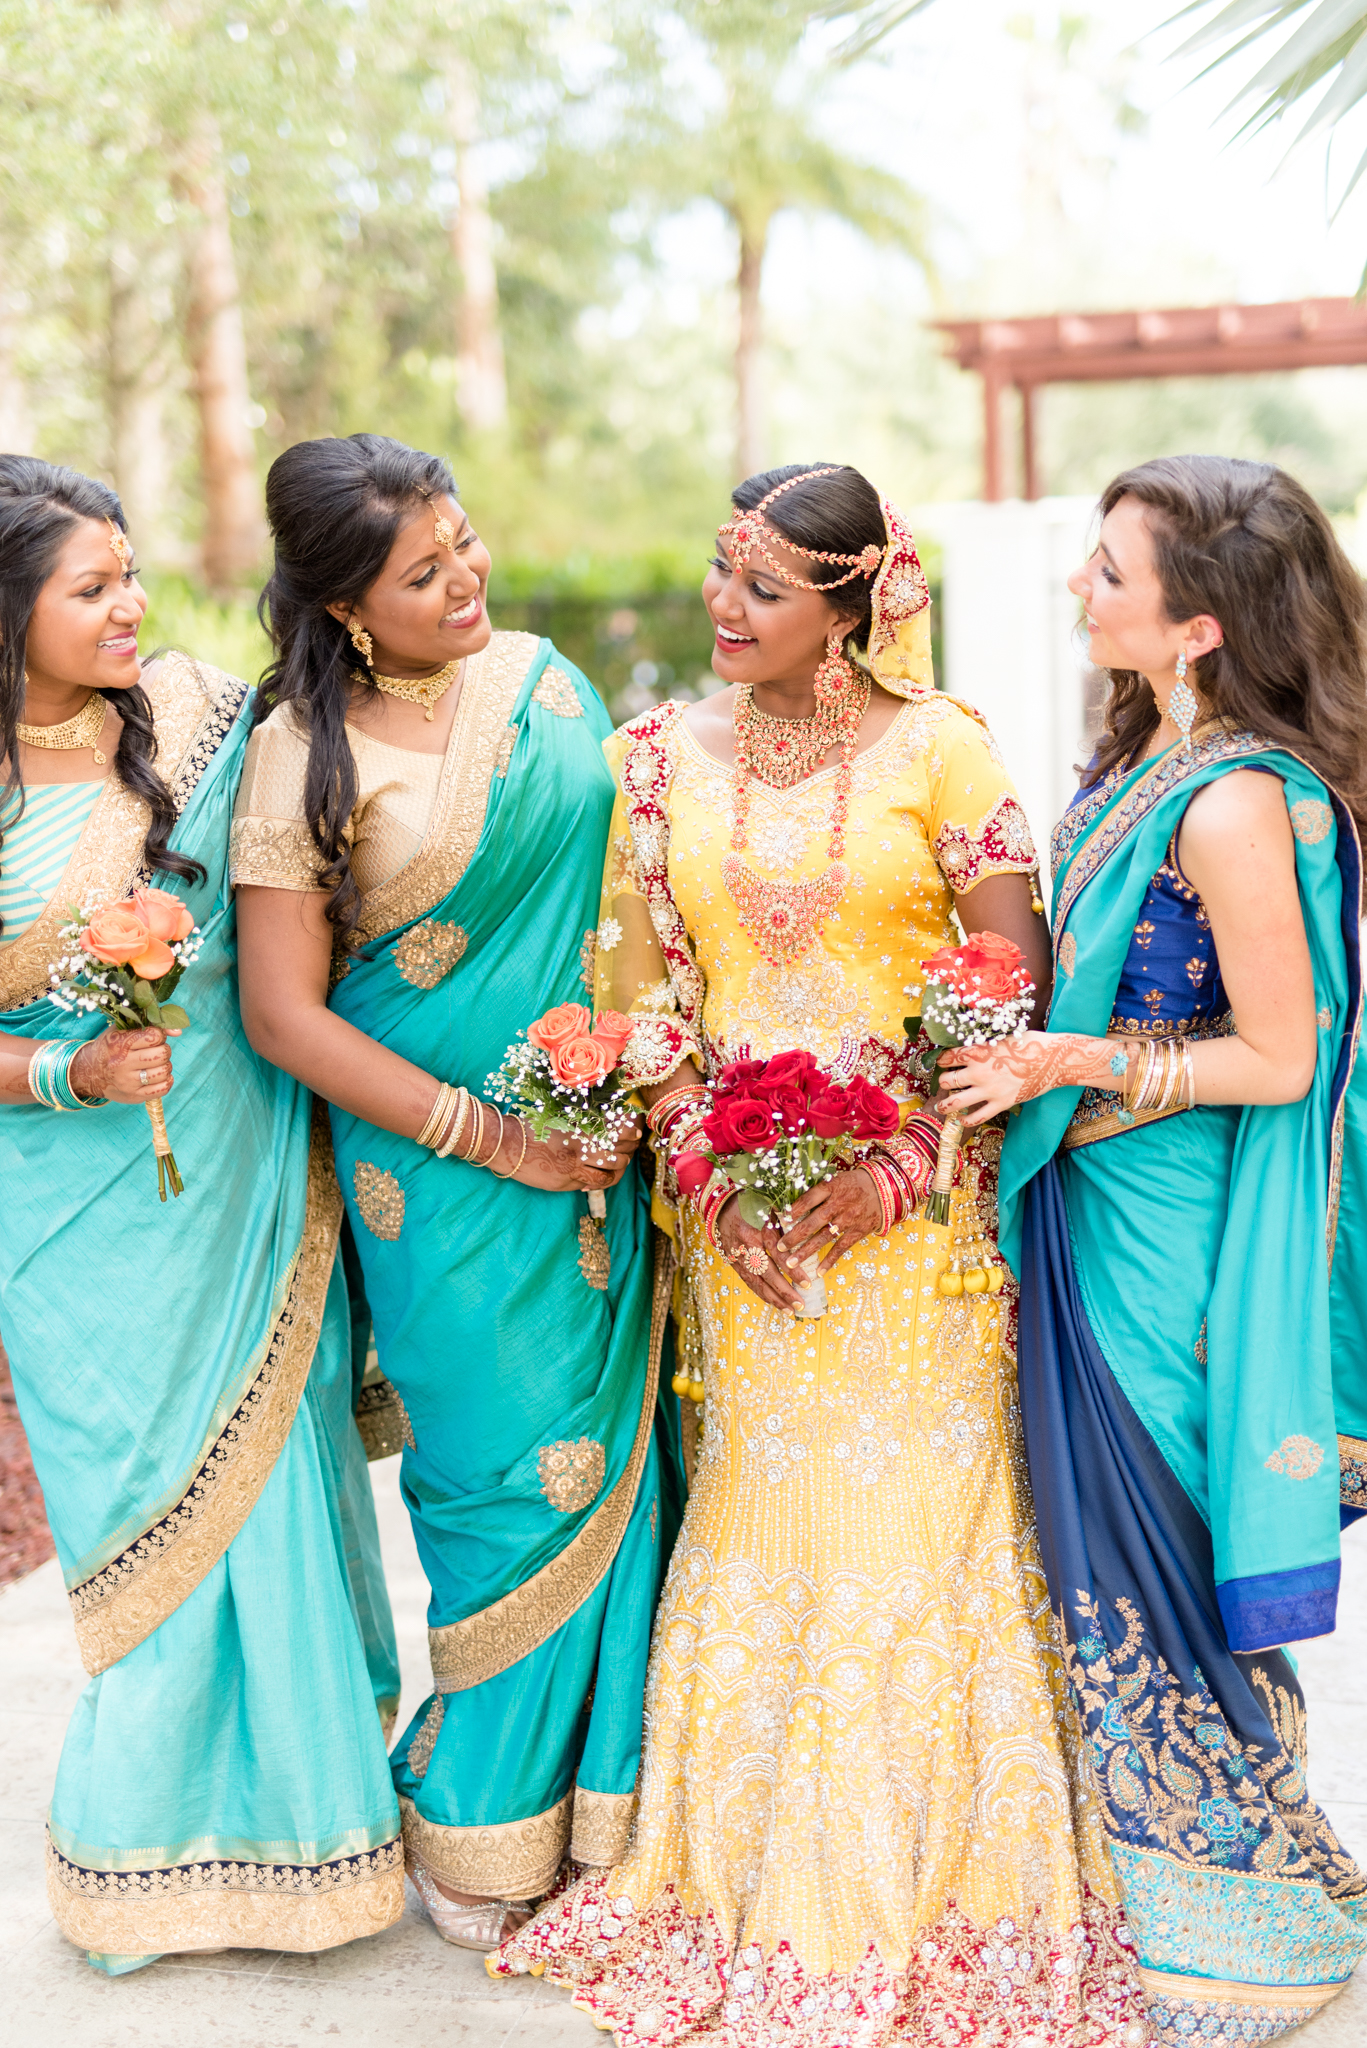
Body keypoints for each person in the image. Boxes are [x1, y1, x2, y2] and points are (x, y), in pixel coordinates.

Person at [491, 463, 1151, 2044]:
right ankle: (742, 1881)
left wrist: (900, 1168)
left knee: (919, 1536)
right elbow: (648, 1000)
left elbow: (1008, 994)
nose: (725, 606)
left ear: (858, 602)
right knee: (771, 1517)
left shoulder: (947, 749)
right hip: (742, 1230)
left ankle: (952, 1893)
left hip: (920, 1238)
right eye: (721, 570)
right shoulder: (650, 763)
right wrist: (714, 1174)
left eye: (765, 586)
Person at [230, 432, 682, 1951]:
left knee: (638, 1466)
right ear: (348, 605)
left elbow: (634, 892)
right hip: (437, 1175)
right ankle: (482, 1827)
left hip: (600, 1143)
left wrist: (630, 1084)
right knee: (498, 1486)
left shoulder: (548, 683)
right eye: (423, 575)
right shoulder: (299, 754)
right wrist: (495, 1139)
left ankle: (616, 1815)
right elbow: (286, 1015)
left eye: (466, 542)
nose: (466, 578)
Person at [943, 455, 1367, 2041]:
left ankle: (1243, 1927)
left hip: (1174, 1236)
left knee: (1159, 1550)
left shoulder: (1245, 799)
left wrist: (1071, 1067)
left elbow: (1281, 1054)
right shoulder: (1145, 763)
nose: (1080, 589)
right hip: (1092, 1205)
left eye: (1108, 570)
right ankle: (1204, 1884)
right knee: (1096, 1553)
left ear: (1197, 625)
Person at [0, 456, 403, 1973]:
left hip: (238, 1180)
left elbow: (312, 885)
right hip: (70, 1216)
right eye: (89, 588)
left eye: (129, 574)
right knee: (137, 1515)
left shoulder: (198, 716)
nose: (132, 606)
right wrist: (69, 1069)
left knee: (277, 1481)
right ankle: (147, 1854)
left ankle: (307, 1833)